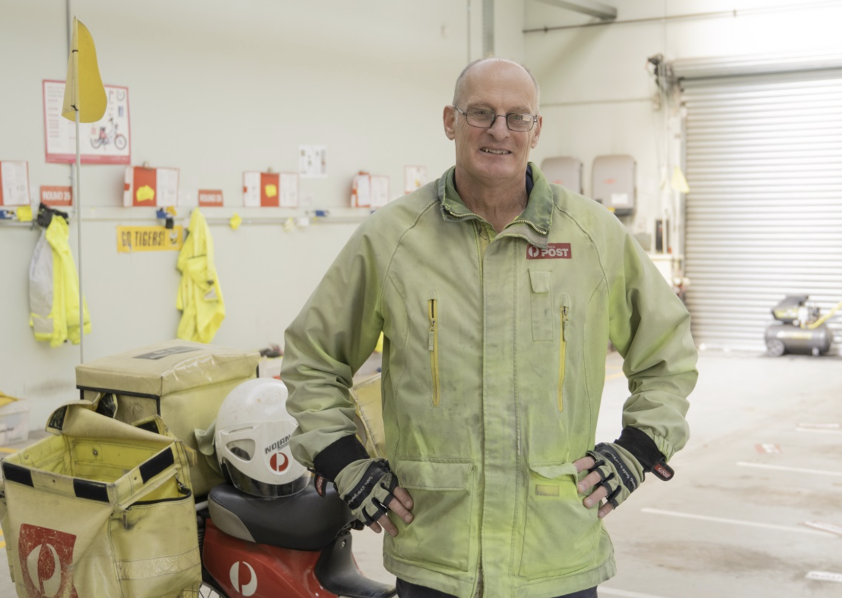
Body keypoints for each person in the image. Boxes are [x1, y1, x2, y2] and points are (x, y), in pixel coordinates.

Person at [281, 58, 697, 598]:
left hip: (558, 556)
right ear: (451, 121)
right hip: (435, 557)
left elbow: (668, 353)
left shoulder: (593, 237)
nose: (499, 130)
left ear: (536, 129)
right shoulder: (393, 240)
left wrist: (639, 450)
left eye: (516, 117)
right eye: (482, 113)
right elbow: (312, 358)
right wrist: (344, 461)